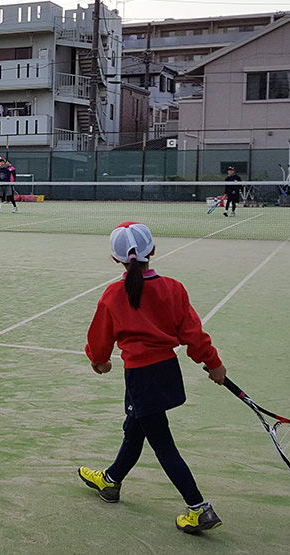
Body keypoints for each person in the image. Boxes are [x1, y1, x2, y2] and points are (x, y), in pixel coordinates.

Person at [78, 221, 227, 534]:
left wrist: (100, 361)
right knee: (135, 429)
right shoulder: (173, 288)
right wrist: (213, 364)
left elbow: (100, 338)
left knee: (161, 442)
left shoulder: (113, 294)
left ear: (115, 259)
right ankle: (111, 481)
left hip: (141, 377)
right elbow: (193, 334)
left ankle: (199, 508)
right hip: (165, 373)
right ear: (153, 251)